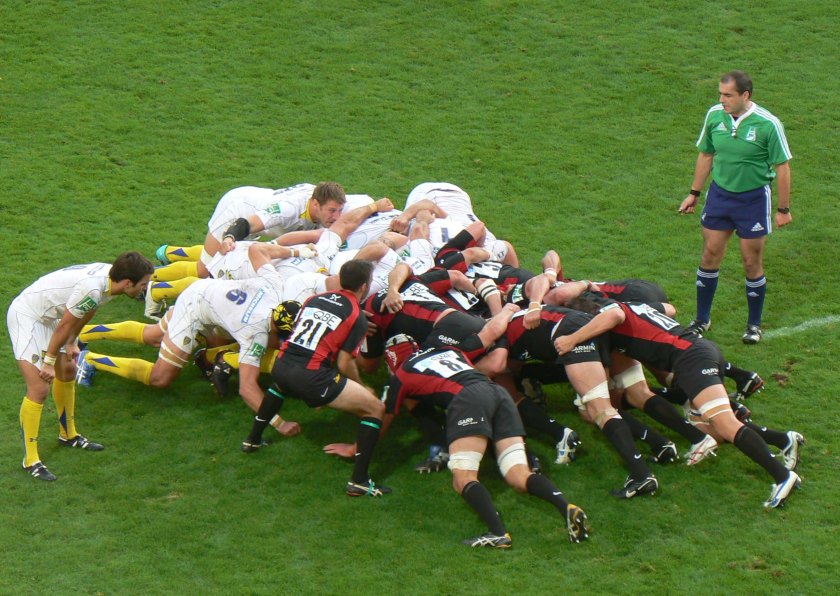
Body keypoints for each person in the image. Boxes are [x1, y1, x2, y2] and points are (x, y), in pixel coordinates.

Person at [554, 297, 801, 509]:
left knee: (725, 424)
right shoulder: (632, 307)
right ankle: (783, 440)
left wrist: (573, 338)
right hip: (696, 353)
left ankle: (782, 476)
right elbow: (668, 309)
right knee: (706, 425)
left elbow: (613, 316)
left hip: (691, 359)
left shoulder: (610, 314)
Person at [383, 331, 589, 548]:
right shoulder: (447, 350)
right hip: (498, 392)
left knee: (463, 476)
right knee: (519, 475)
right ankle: (565, 507)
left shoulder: (403, 373)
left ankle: (498, 533)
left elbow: (384, 416)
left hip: (468, 399)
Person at [75, 275, 302, 437]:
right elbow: (247, 388)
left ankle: (82, 332)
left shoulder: (274, 286)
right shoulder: (256, 333)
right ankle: (90, 360)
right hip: (193, 311)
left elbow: (258, 252)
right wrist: (278, 422)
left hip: (204, 289)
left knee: (154, 335)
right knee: (160, 377)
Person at [242, 260, 391, 497]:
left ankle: (252, 440)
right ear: (364, 286)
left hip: (281, 366)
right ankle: (359, 481)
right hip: (311, 377)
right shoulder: (357, 317)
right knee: (374, 408)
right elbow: (344, 363)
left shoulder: (315, 299)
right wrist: (362, 386)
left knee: (280, 386)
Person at [7, 252, 154, 481]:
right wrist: (48, 362)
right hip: (29, 316)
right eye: (143, 284)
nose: (145, 289)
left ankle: (68, 435)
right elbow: (63, 326)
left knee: (69, 370)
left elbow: (88, 311)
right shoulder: (93, 289)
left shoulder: (110, 280)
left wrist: (72, 342)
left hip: (52, 315)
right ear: (128, 283)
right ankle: (31, 460)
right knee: (39, 387)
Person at [678, 70, 793, 344]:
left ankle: (753, 325)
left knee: (751, 261)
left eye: (728, 95)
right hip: (720, 196)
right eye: (720, 93)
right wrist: (694, 192)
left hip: (752, 200)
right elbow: (706, 154)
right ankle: (701, 319)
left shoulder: (768, 124)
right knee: (709, 254)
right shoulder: (714, 115)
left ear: (745, 95)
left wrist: (783, 209)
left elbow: (783, 166)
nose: (722, 99)